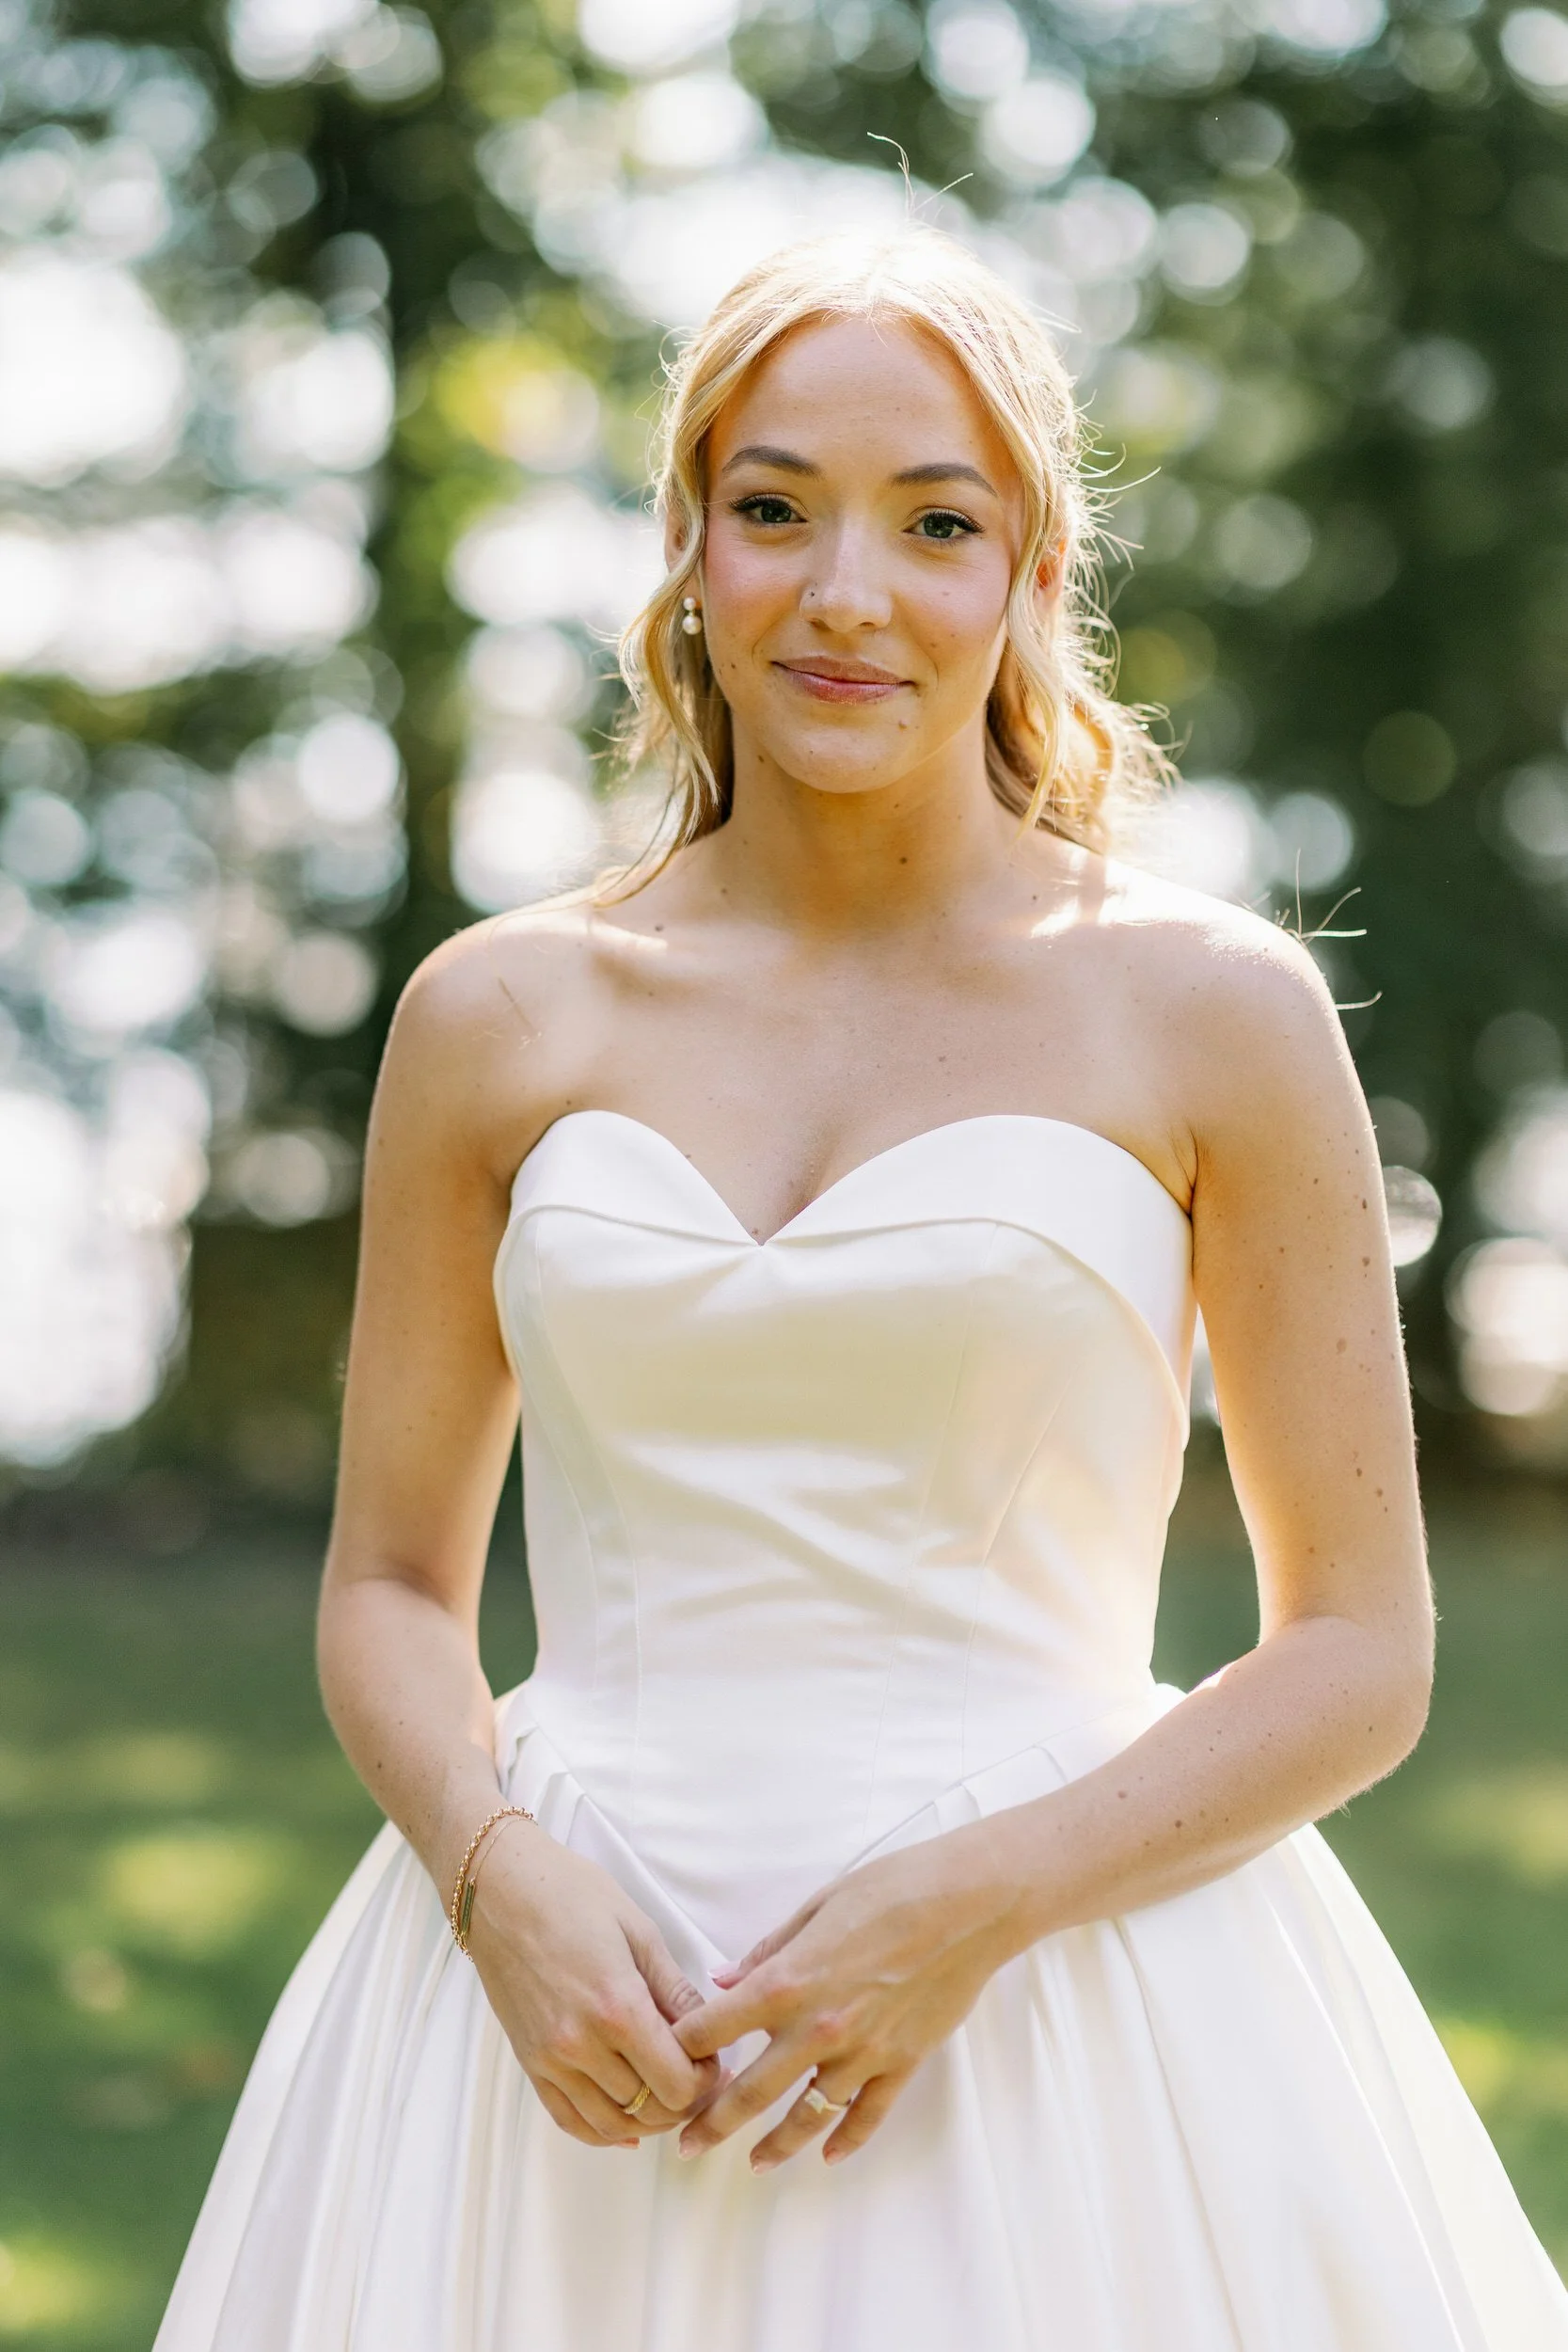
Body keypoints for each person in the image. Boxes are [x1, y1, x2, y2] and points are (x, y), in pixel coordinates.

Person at [155, 230, 1568, 2351]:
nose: (844, 594)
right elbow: (387, 1584)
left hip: (1063, 2001)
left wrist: (973, 1899)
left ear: (1024, 575)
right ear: (686, 548)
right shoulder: (499, 1013)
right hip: (555, 2019)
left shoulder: (1208, 1012)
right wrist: (489, 1871)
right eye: (774, 506)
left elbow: (1356, 1649)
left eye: (933, 523)